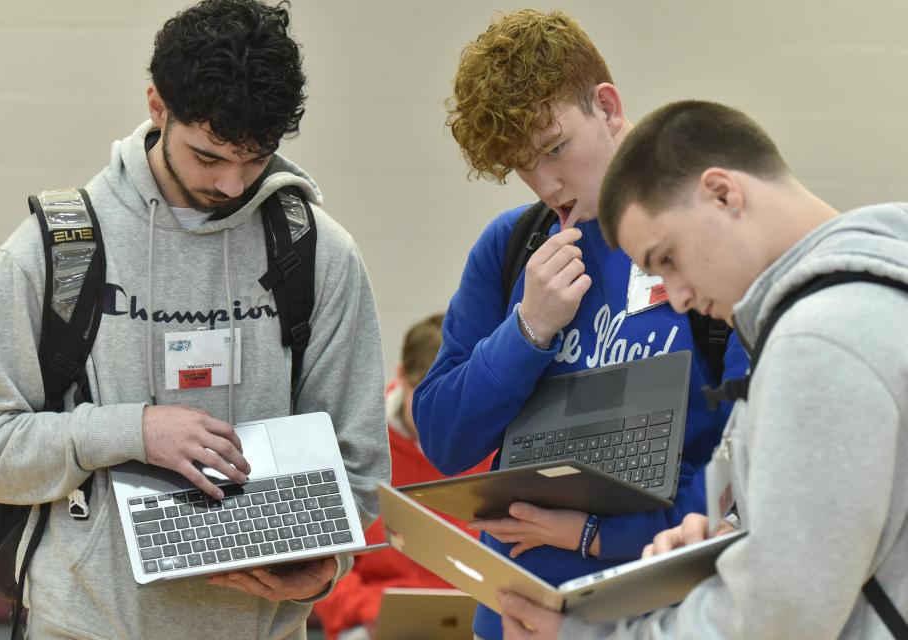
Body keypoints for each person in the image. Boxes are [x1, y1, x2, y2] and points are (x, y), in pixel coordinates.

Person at [0, 1, 389, 638]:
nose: (235, 184)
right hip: (84, 625)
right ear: (158, 107)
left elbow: (360, 463)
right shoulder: (60, 249)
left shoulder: (318, 254)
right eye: (209, 157)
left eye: (257, 157)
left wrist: (329, 566)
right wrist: (131, 430)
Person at [496, 99, 908, 639]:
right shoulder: (875, 293)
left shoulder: (820, 340)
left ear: (723, 193)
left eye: (668, 259)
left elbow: (777, 617)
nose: (682, 298)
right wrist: (728, 542)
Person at [412, 10, 748, 639]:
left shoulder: (703, 240)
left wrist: (598, 536)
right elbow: (442, 439)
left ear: (608, 107)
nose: (547, 183)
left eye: (555, 148)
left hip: (660, 610)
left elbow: (745, 464)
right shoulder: (509, 246)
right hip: (513, 613)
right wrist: (526, 332)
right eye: (523, 165)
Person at [313, 313, 494, 640]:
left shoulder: (492, 443)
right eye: (430, 401)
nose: (444, 420)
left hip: (475, 617)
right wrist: (366, 608)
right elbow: (322, 564)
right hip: (376, 618)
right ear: (402, 378)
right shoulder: (357, 443)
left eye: (458, 405)